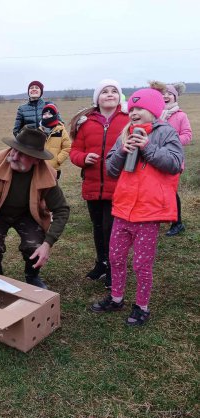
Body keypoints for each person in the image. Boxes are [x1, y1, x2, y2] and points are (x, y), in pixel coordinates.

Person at [91, 88, 183, 326]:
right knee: (116, 257)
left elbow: (174, 163)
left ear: (153, 111)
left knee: (142, 264)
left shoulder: (166, 132)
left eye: (140, 108)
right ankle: (116, 298)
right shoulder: (125, 134)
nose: (134, 113)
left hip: (148, 213)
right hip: (122, 210)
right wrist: (123, 151)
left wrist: (147, 147)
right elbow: (111, 169)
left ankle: (142, 306)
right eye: (131, 109)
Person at [0, 126, 70, 289]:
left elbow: (61, 209)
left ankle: (32, 276)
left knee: (35, 246)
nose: (14, 156)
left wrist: (48, 243)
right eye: (14, 150)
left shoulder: (47, 174)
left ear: (36, 160)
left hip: (28, 213)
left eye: (22, 154)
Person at [69, 79, 129, 289]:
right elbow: (74, 151)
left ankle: (114, 268)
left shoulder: (128, 120)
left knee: (112, 229)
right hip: (93, 185)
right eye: (105, 92)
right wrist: (83, 158)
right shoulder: (86, 123)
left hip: (118, 186)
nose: (110, 94)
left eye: (114, 91)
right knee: (97, 227)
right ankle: (101, 263)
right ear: (97, 98)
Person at [150, 82, 192, 236]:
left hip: (173, 160)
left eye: (169, 93)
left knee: (171, 192)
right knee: (155, 191)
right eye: (163, 93)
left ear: (175, 96)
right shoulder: (154, 115)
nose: (166, 96)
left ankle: (177, 222)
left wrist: (171, 142)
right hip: (155, 159)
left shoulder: (181, 115)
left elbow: (187, 135)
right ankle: (156, 218)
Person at [39, 103, 72, 180]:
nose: (46, 116)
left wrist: (58, 160)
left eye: (50, 114)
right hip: (39, 168)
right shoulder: (38, 131)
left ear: (55, 116)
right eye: (44, 114)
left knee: (52, 190)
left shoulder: (61, 131)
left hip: (53, 169)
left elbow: (67, 147)